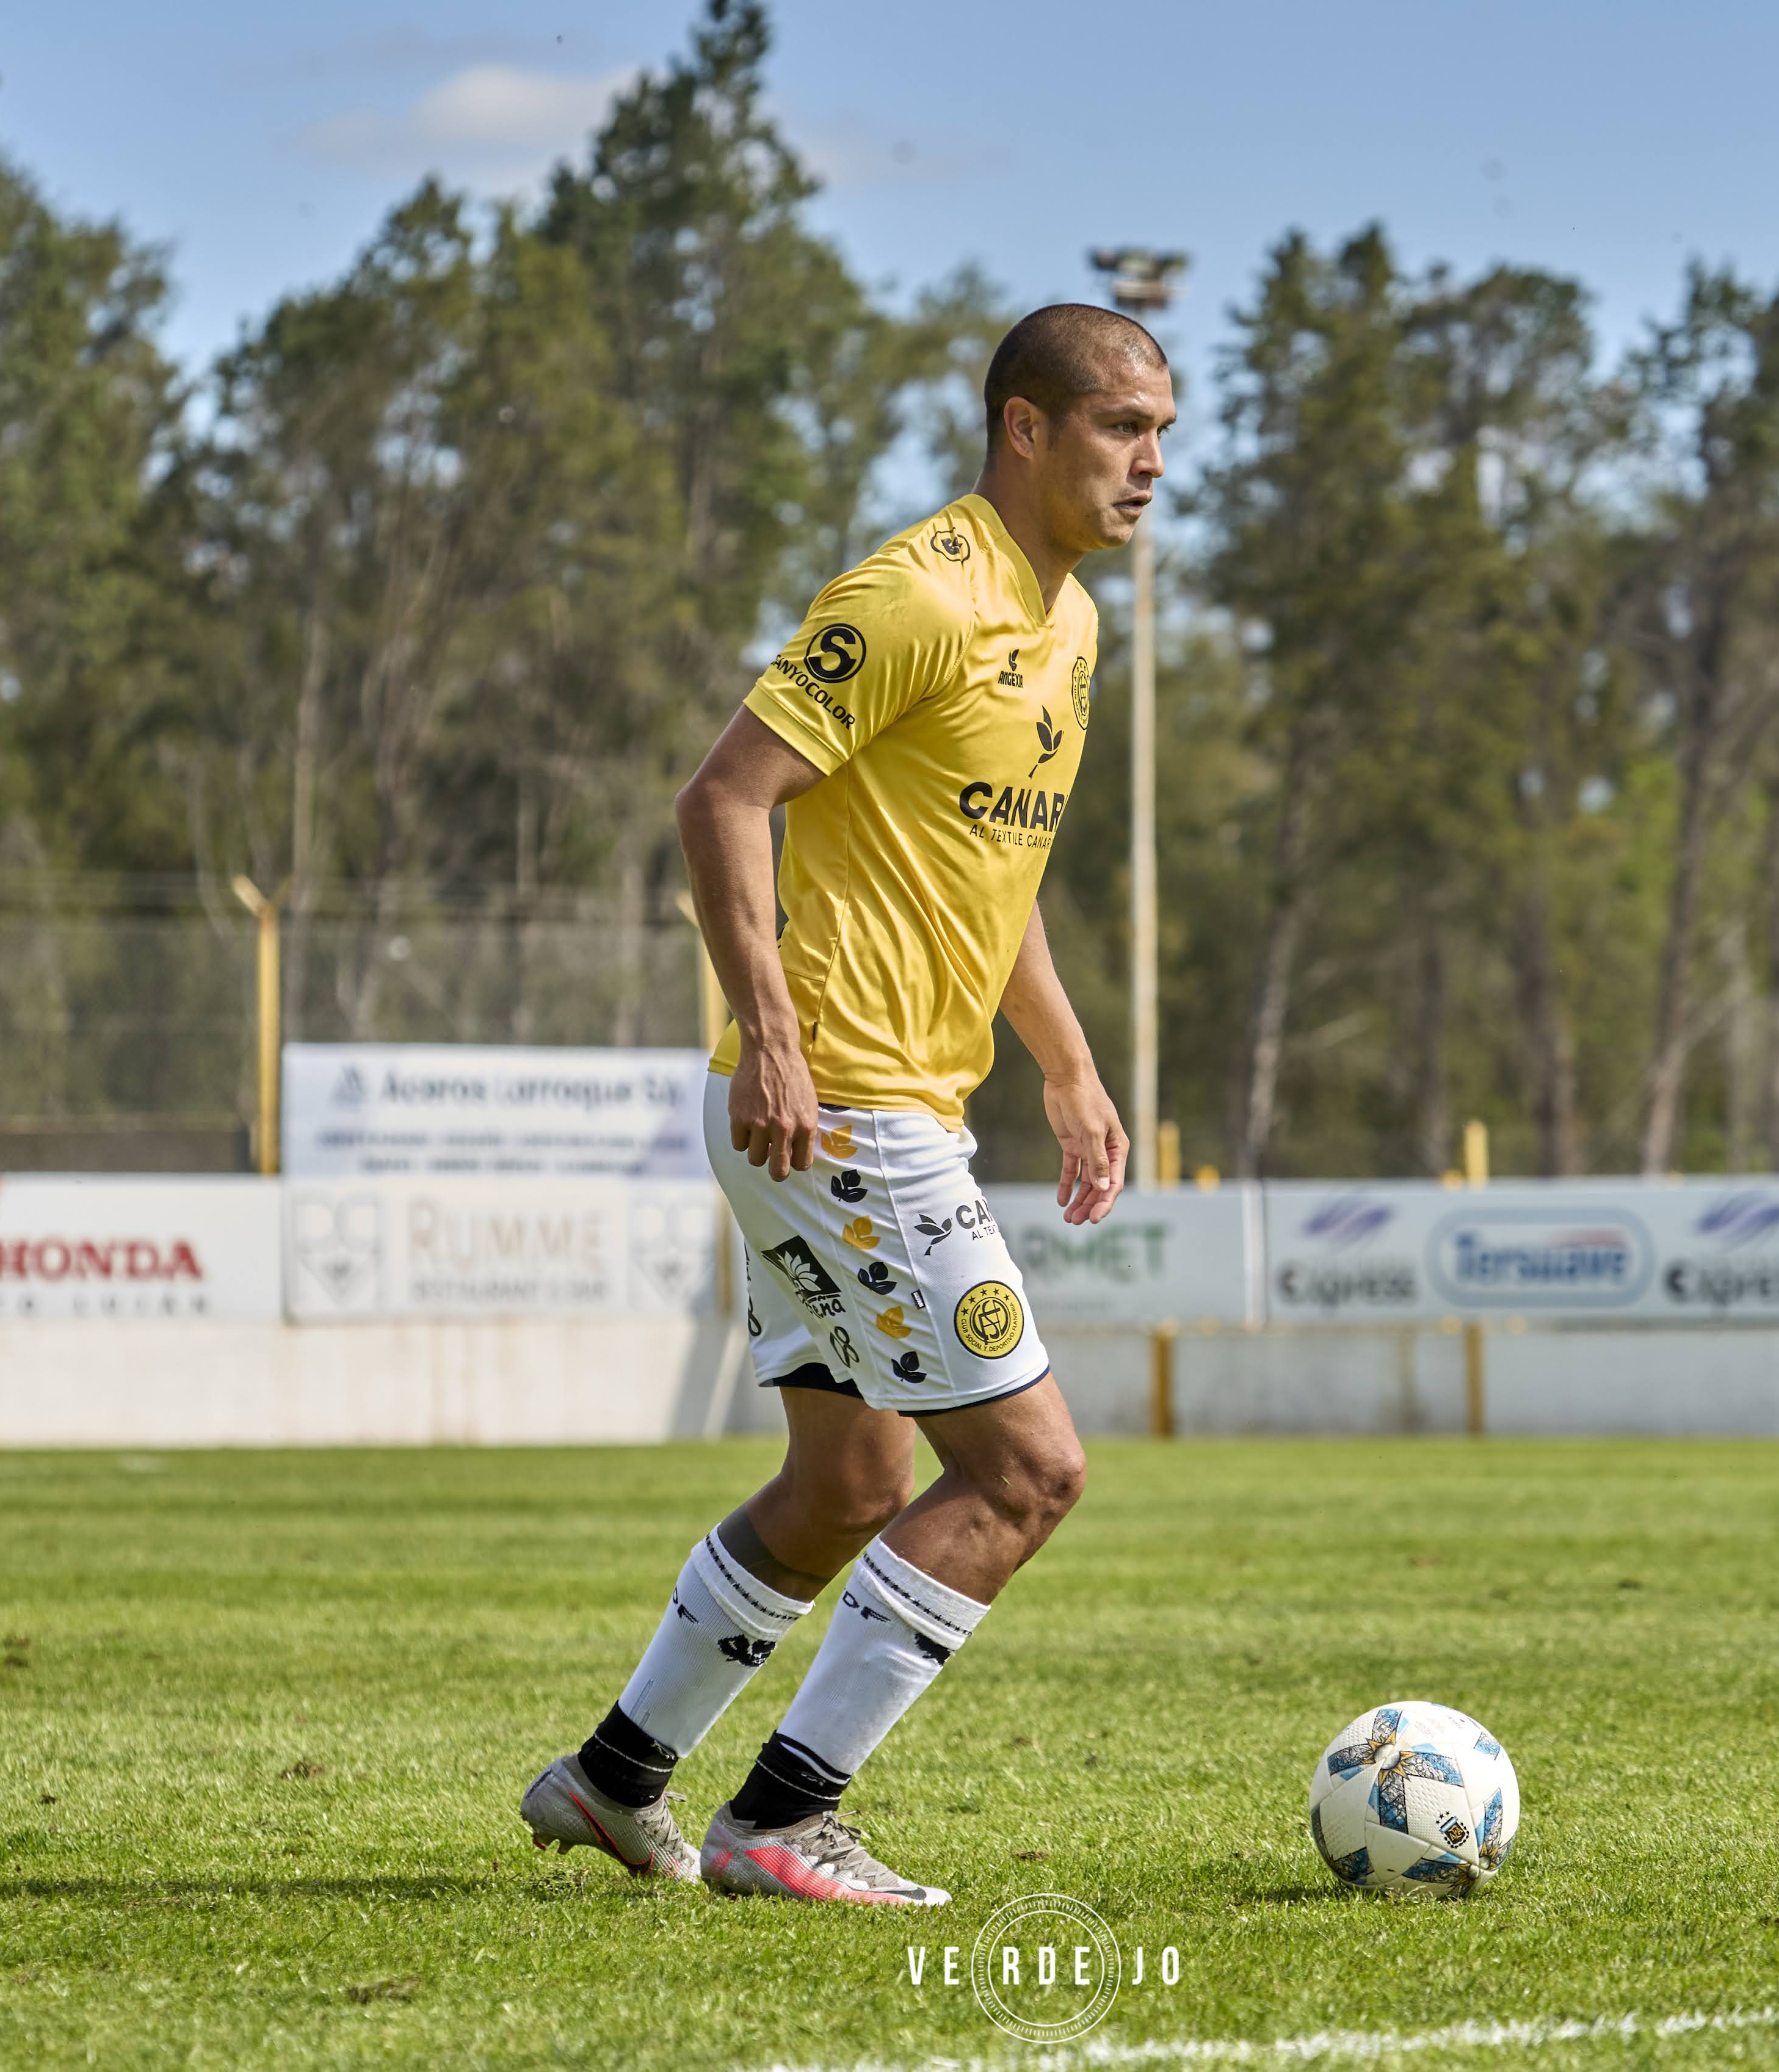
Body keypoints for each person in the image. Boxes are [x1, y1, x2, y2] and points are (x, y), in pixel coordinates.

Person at [520, 305, 1167, 1906]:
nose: (1151, 462)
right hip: (844, 1105)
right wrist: (776, 1028)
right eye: (1118, 426)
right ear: (1022, 427)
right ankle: (780, 1817)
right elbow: (722, 797)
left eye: (1164, 429)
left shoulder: (1069, 626)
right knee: (1025, 1473)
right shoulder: (914, 594)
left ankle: (611, 1782)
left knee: (849, 1485)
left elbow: (986, 874)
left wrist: (1069, 1064)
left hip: (883, 1109)